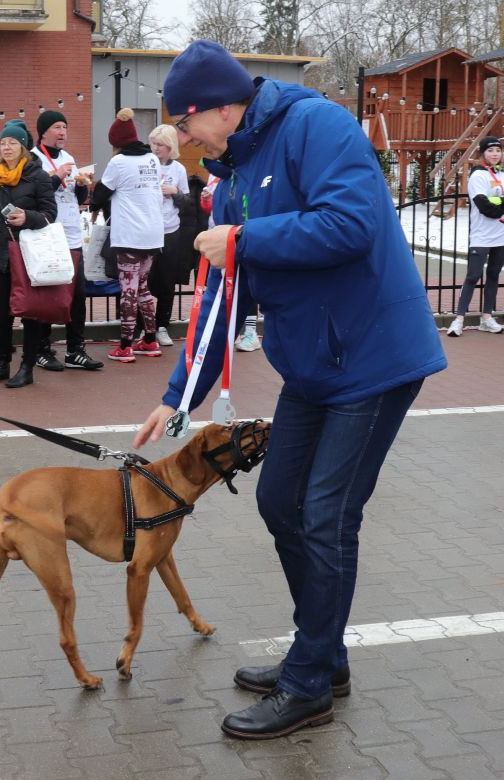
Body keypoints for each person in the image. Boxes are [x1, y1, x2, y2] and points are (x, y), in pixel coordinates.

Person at [134, 40, 446, 739]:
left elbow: (352, 224)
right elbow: (222, 295)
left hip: (372, 357)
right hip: (313, 366)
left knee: (326, 514)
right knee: (279, 500)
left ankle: (309, 685)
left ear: (220, 107)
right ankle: (323, 654)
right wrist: (177, 395)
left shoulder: (318, 126)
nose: (184, 140)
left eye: (186, 125)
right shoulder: (234, 169)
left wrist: (245, 238)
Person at [0, 120, 57, 388]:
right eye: (3, 143)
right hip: (1, 253)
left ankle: (27, 367)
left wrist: (28, 217)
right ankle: (2, 363)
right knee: (1, 315)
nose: (7, 147)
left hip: (28, 255)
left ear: (23, 146)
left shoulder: (38, 175)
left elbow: (50, 213)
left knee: (30, 314)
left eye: (12, 142)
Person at [29, 111, 103, 371]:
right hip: (48, 234)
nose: (62, 132)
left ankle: (75, 350)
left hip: (72, 234)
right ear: (44, 131)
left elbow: (75, 195)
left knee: (77, 295)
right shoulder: (34, 158)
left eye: (65, 127)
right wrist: (57, 176)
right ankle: (41, 349)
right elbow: (33, 193)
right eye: (57, 127)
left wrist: (83, 185)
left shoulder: (69, 157)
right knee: (48, 293)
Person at [89, 108, 165, 363]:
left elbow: (101, 193)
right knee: (142, 287)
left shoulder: (119, 162)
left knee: (128, 289)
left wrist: (91, 200)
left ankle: (125, 345)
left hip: (130, 234)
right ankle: (150, 339)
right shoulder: (152, 159)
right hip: (153, 235)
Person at [446, 135, 504, 336]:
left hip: (501, 235)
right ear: (482, 153)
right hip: (481, 235)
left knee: (494, 275)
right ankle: (458, 319)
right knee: (473, 275)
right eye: (490, 150)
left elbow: (494, 203)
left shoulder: (501, 174)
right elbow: (485, 207)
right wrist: (500, 203)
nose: (495, 154)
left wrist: (497, 201)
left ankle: (487, 317)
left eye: (498, 150)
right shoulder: (478, 175)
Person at [201, 172, 261, 351]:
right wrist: (207, 201)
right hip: (218, 238)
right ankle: (230, 331)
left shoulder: (245, 170)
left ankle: (250, 331)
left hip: (240, 237)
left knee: (247, 283)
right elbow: (211, 208)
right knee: (225, 289)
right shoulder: (215, 173)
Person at [147, 123, 191, 348]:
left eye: (160, 145)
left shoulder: (179, 170)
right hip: (146, 230)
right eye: (153, 143)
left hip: (170, 231)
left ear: (170, 146)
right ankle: (143, 326)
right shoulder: (145, 164)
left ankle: (162, 325)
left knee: (166, 281)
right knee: (143, 280)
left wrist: (175, 193)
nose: (155, 149)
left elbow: (187, 202)